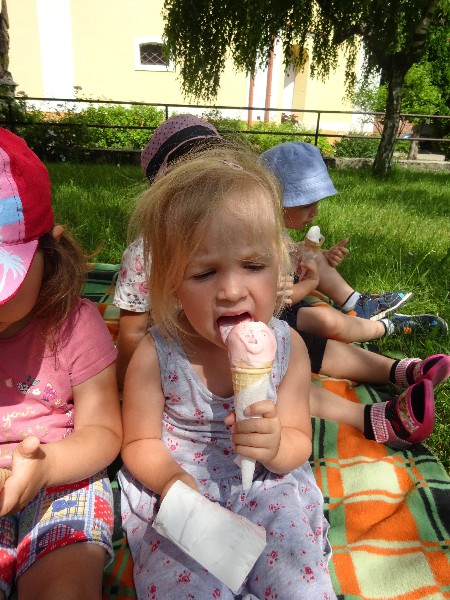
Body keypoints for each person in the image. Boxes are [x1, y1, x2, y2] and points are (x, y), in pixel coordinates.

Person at [118, 146, 337, 599]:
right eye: (204, 273)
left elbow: (298, 439)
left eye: (253, 266)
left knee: (299, 582)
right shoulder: (158, 353)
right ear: (171, 285)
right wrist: (172, 482)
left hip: (269, 488)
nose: (232, 290)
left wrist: (276, 445)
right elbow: (137, 441)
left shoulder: (289, 348)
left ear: (280, 268)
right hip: (183, 493)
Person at [0, 129, 122, 599]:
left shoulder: (75, 325)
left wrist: (47, 468)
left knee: (65, 586)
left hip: (61, 472)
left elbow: (104, 431)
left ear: (50, 251)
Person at [261, 141, 448, 343]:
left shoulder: (272, 230)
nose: (315, 212)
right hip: (277, 312)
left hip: (290, 293)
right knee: (327, 321)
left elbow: (290, 251)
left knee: (311, 254)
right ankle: (387, 327)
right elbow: (278, 300)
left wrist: (321, 254)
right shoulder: (259, 242)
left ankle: (356, 303)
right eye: (307, 205)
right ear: (277, 202)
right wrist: (310, 284)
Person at [113, 114, 223, 389]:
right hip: (168, 362)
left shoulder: (231, 239)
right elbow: (133, 333)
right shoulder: (145, 255)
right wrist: (123, 388)